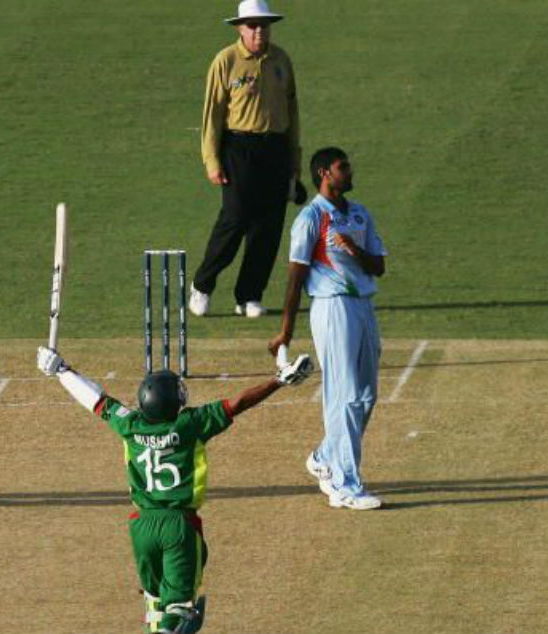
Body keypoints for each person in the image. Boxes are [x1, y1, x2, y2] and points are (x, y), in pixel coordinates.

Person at [36, 345, 312, 633]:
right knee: (180, 611)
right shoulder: (190, 424)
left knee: (156, 603)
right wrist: (278, 381)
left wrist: (61, 371)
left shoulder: (129, 424)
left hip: (141, 526)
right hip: (178, 525)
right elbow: (238, 404)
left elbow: (96, 400)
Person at [268, 147, 387, 510]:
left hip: (364, 306)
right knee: (344, 394)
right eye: (342, 167)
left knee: (365, 396)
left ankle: (324, 456)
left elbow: (378, 267)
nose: (349, 171)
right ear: (324, 173)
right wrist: (286, 331)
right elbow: (295, 277)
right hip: (332, 307)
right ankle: (344, 483)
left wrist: (353, 249)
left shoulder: (360, 214)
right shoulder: (310, 218)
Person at [189, 0, 305, 319]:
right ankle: (202, 285)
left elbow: (292, 111)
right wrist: (211, 160)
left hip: (276, 148)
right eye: (252, 26)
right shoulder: (225, 61)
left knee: (268, 226)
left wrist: (294, 161)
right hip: (239, 147)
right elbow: (212, 113)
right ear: (240, 28)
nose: (258, 32)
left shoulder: (281, 60)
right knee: (235, 218)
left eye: (263, 26)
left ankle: (249, 295)